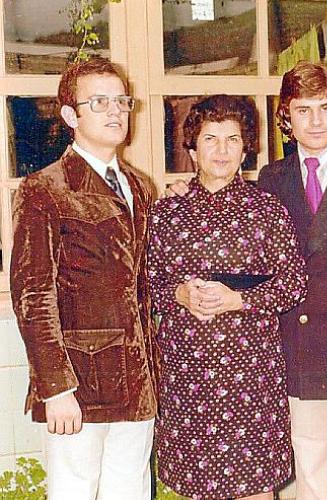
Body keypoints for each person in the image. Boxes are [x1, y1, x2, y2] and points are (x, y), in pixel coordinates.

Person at [168, 61, 327, 499]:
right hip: (299, 346)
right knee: (312, 472)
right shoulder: (272, 177)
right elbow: (229, 210)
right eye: (302, 110)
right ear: (287, 117)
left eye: (324, 108)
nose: (315, 121)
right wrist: (184, 190)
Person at [10, 57, 157, 499]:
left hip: (137, 379)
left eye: (121, 101)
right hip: (80, 380)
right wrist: (56, 388)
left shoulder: (140, 186)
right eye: (99, 102)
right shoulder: (44, 189)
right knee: (73, 490)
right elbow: (33, 296)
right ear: (71, 116)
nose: (115, 112)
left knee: (130, 490)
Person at [148, 94, 307, 500]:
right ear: (192, 149)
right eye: (210, 139)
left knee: (255, 488)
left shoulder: (267, 210)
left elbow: (294, 283)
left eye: (232, 139)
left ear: (245, 148)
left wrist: (240, 300)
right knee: (196, 485)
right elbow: (146, 285)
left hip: (251, 373)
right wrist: (179, 294)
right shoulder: (166, 213)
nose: (222, 150)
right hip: (188, 375)